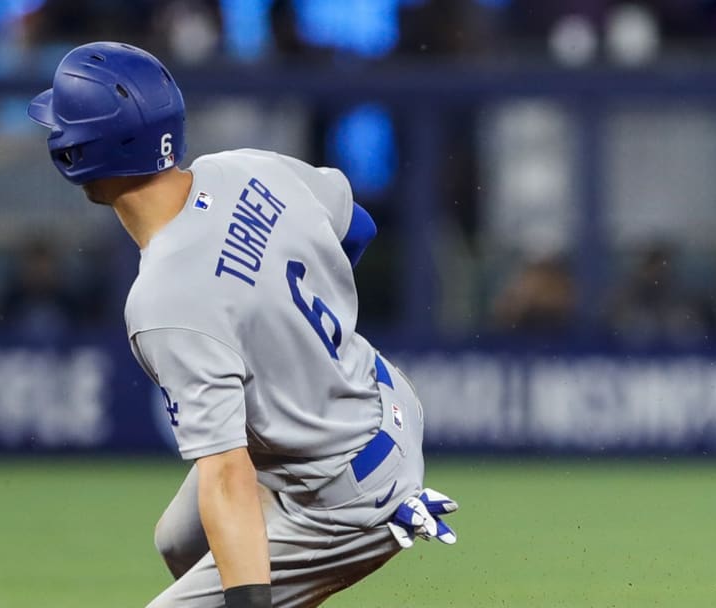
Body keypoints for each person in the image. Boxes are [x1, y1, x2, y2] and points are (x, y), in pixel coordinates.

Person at [27, 41, 458, 608]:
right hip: (383, 398)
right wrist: (281, 326)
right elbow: (358, 227)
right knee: (180, 541)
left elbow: (228, 475)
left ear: (76, 155)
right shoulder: (245, 167)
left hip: (342, 498)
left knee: (222, 562)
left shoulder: (164, 302)